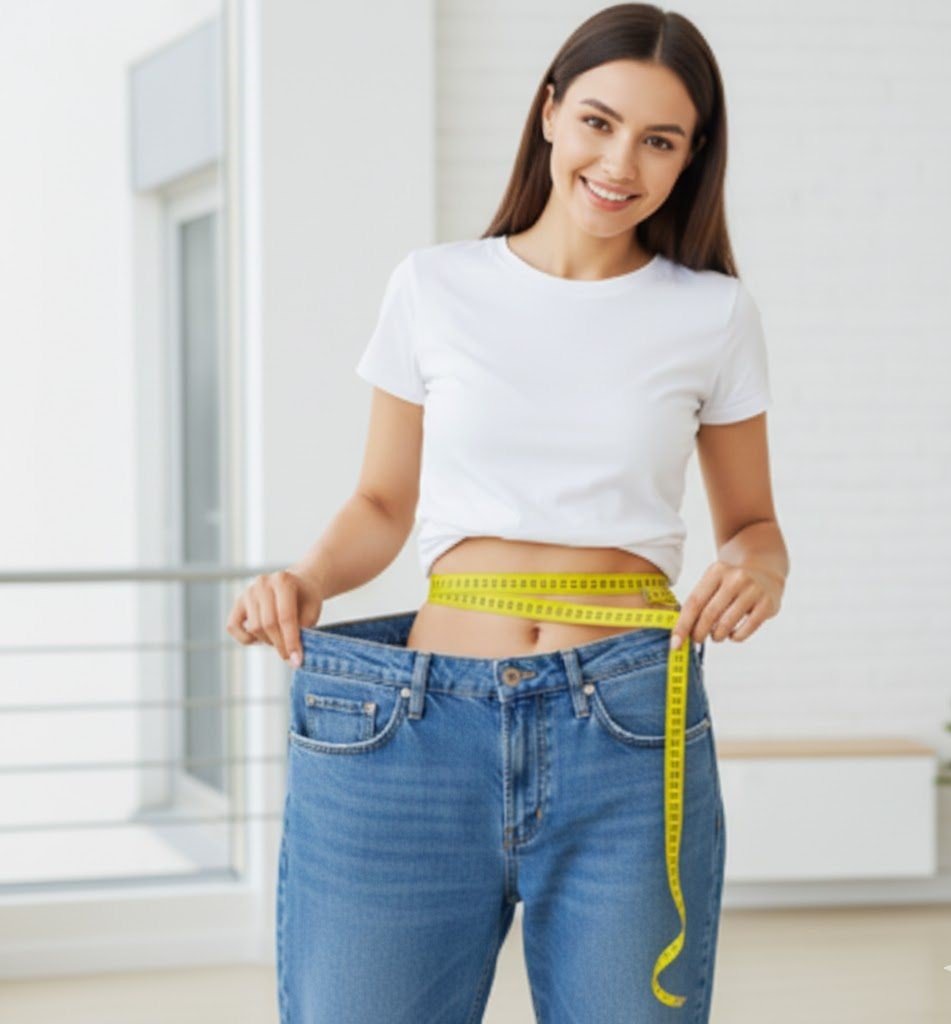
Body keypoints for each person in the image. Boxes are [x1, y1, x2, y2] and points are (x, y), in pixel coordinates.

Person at [227, 5, 789, 1022]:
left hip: (625, 728)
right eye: (599, 122)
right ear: (549, 114)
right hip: (413, 731)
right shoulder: (434, 286)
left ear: (689, 157)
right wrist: (308, 578)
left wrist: (759, 569)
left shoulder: (712, 312)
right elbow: (381, 502)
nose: (621, 161)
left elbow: (752, 522)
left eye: (660, 140)